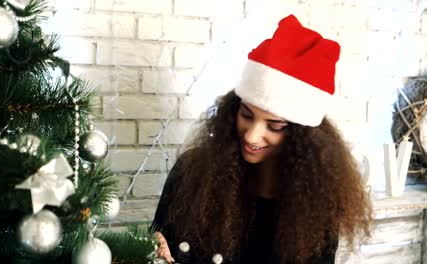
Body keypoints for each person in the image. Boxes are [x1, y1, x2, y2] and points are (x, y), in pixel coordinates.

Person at [151, 14, 373, 264]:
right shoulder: (192, 171)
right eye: (246, 114)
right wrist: (155, 247)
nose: (252, 134)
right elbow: (155, 240)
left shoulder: (317, 205)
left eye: (274, 126)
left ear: (302, 137)